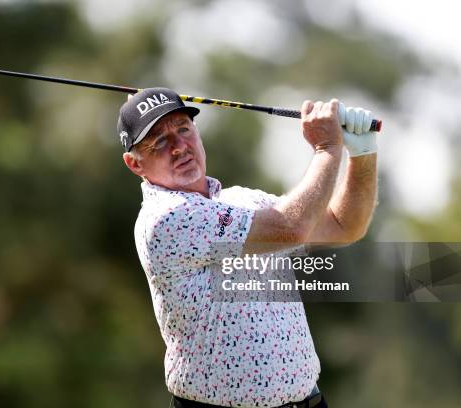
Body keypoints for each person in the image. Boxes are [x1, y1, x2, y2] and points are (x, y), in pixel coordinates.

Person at [117, 87, 377, 408]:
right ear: (134, 164)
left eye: (183, 129)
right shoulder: (167, 219)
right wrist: (326, 148)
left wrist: (363, 155)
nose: (179, 147)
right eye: (158, 141)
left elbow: (344, 226)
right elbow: (291, 228)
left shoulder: (243, 202)